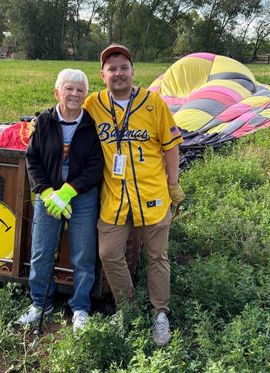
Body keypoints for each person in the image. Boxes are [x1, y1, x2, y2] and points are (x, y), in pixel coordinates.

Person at [83, 43, 186, 346]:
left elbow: (171, 145)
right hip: (114, 199)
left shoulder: (153, 103)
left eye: (123, 67)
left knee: (157, 256)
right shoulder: (93, 104)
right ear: (103, 75)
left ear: (133, 71)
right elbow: (70, 116)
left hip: (152, 196)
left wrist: (173, 183)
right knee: (109, 254)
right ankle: (127, 309)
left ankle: (160, 315)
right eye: (112, 69)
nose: (118, 73)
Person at [17, 68, 104, 333]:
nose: (74, 94)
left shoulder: (91, 124)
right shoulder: (43, 121)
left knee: (83, 254)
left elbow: (96, 165)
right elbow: (33, 160)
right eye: (69, 88)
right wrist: (46, 192)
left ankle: (80, 308)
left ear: (85, 95)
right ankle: (40, 303)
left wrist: (70, 191)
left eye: (80, 90)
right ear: (57, 92)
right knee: (41, 251)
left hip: (82, 199)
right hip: (48, 198)